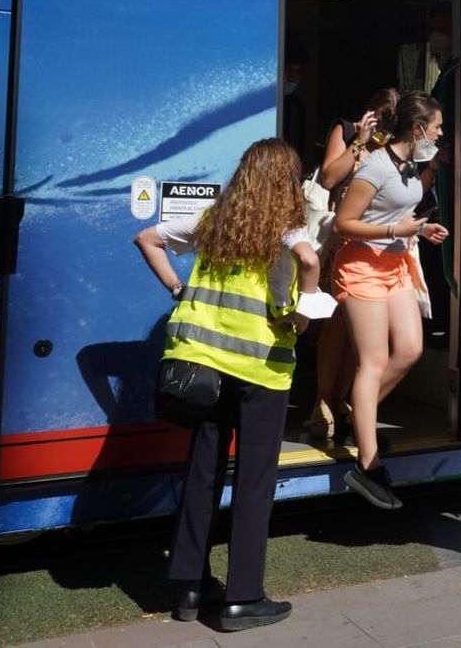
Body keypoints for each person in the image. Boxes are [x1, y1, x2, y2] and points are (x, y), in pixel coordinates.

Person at [132, 139, 319, 632]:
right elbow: (308, 261)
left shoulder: (215, 218)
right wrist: (307, 310)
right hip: (262, 369)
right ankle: (242, 599)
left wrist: (178, 289)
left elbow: (146, 238)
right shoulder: (287, 227)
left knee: (203, 471)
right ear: (286, 180)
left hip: (204, 367)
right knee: (254, 482)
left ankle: (189, 588)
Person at [331, 92, 451, 509]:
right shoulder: (376, 166)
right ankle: (368, 465)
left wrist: (419, 230)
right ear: (417, 130)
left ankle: (354, 417)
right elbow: (343, 225)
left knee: (411, 349)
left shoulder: (408, 167)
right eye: (436, 127)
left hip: (395, 265)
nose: (440, 134)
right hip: (362, 269)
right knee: (375, 361)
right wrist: (394, 232)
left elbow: (396, 216)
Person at [308, 88, 400, 442]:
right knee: (335, 323)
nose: (384, 128)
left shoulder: (393, 147)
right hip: (339, 239)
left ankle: (342, 397)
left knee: (354, 330)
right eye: (381, 118)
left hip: (372, 241)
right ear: (370, 112)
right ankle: (322, 398)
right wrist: (359, 142)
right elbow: (329, 178)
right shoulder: (346, 131)